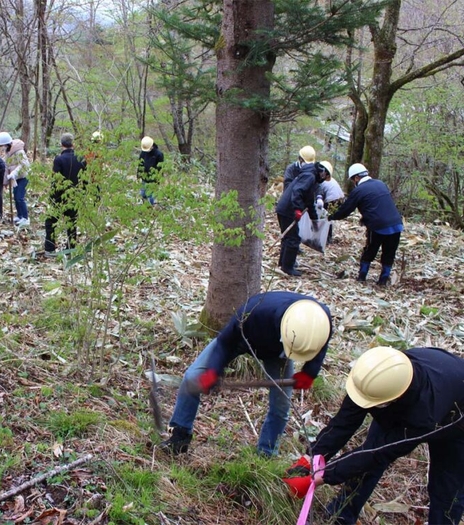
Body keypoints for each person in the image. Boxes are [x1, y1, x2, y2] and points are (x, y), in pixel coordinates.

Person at [285, 346, 464, 525]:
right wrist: (310, 458)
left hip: (458, 424)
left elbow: (376, 453)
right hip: (430, 386)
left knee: (447, 492)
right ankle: (340, 516)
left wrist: (323, 477)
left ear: (390, 400)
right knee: (364, 469)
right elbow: (342, 424)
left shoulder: (423, 416)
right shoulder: (374, 376)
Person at [161, 291, 332, 457]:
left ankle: (267, 453)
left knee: (281, 405)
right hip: (242, 340)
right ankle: (180, 435)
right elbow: (225, 342)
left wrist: (310, 372)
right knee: (192, 377)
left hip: (277, 352)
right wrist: (213, 370)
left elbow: (320, 347)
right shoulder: (254, 314)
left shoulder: (320, 320)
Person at [328, 163, 403, 285]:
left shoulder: (358, 191)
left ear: (357, 178)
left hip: (378, 226)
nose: (353, 182)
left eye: (353, 180)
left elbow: (345, 210)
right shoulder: (381, 184)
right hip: (396, 224)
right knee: (389, 253)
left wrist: (330, 216)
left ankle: (362, 277)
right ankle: (383, 280)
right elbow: (379, 204)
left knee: (370, 250)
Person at [275, 155, 327, 276]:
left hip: (286, 208)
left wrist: (315, 219)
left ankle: (283, 264)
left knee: (288, 237)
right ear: (323, 172)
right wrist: (297, 209)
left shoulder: (310, 177)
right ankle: (287, 267)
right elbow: (297, 191)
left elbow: (309, 201)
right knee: (293, 239)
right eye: (326, 177)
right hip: (288, 210)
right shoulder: (309, 176)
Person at [45, 133, 86, 256]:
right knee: (72, 222)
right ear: (73, 144)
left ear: (61, 144)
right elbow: (84, 179)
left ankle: (50, 248)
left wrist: (52, 196)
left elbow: (56, 180)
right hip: (75, 195)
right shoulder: (81, 159)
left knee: (50, 222)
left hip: (59, 196)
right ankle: (71, 247)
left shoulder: (59, 160)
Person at [0, 132, 30, 226]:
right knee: (16, 197)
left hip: (23, 177)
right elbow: (6, 167)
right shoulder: (8, 153)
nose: (1, 147)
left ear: (6, 144)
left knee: (20, 197)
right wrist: (5, 182)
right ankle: (20, 215)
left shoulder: (19, 152)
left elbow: (24, 165)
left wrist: (14, 173)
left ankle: (25, 218)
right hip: (15, 178)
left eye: (2, 145)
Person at [315, 161, 344, 244]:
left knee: (325, 217)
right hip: (340, 198)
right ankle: (328, 237)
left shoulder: (320, 180)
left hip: (331, 199)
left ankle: (326, 238)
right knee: (328, 218)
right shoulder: (328, 179)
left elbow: (318, 194)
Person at [137, 136, 164, 205]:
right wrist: (138, 174)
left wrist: (158, 179)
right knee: (143, 193)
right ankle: (144, 205)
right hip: (144, 177)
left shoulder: (159, 154)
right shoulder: (143, 152)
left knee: (151, 195)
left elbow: (160, 168)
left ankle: (150, 207)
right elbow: (140, 164)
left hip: (153, 179)